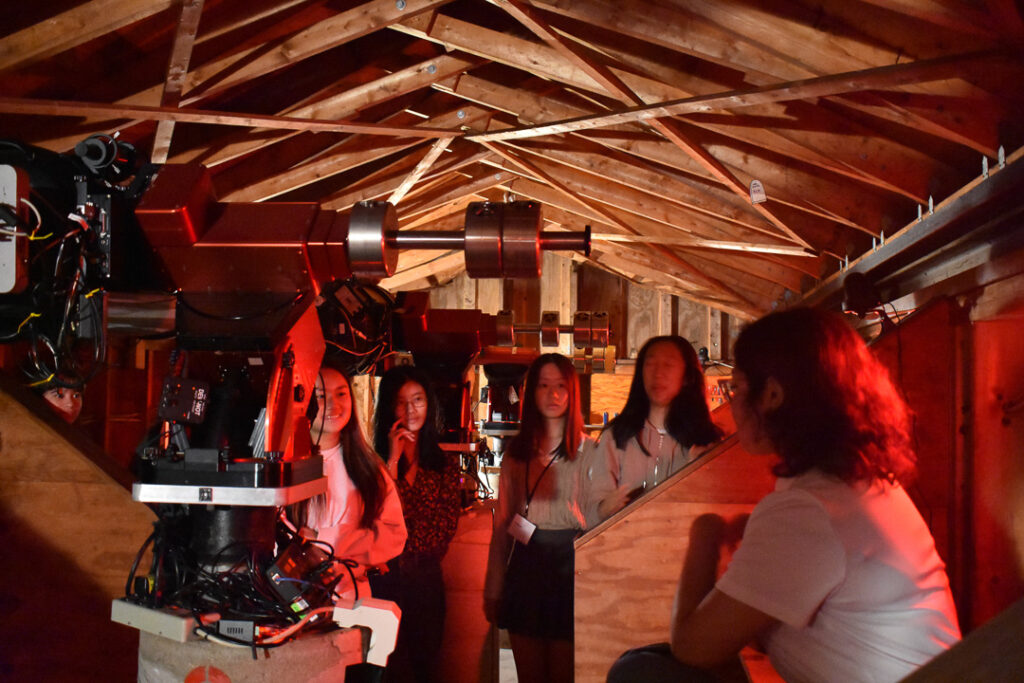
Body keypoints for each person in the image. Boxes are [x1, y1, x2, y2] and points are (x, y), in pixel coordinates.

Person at [607, 308, 961, 683]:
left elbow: (692, 646)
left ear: (773, 394)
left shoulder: (808, 510)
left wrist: (705, 533)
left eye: (738, 388)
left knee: (641, 673)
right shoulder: (851, 483)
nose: (735, 400)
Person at [484, 353, 591, 683]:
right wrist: (493, 586)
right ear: (532, 393)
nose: (553, 394)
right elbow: (504, 526)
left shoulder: (592, 452)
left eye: (561, 386)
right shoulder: (518, 454)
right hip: (527, 572)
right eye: (544, 386)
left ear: (572, 392)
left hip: (572, 573)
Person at [370, 365, 462, 683]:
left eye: (418, 399)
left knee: (425, 670)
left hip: (425, 582)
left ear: (429, 404)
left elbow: (444, 527)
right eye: (401, 401)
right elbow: (377, 518)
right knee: (384, 671)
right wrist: (392, 463)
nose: (410, 410)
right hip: (382, 580)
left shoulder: (444, 466)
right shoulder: (374, 463)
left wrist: (399, 538)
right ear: (389, 407)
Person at [294, 360, 407, 603]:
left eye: (341, 393)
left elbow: (394, 534)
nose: (333, 404)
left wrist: (323, 537)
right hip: (291, 599)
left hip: (351, 599)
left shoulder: (368, 467)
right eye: (321, 396)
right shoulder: (282, 465)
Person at [585, 335, 721, 525]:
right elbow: (590, 514)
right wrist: (603, 509)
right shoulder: (616, 436)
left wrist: (693, 475)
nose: (658, 373)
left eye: (668, 365)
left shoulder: (707, 442)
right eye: (650, 364)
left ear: (687, 376)